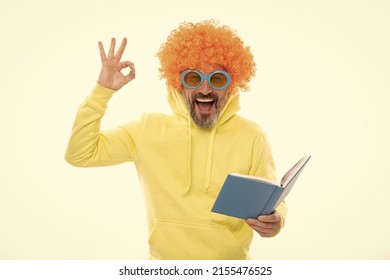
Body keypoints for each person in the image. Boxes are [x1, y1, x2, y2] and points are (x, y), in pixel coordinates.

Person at [65, 20, 287, 260]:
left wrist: (277, 220)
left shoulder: (251, 136)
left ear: (232, 85)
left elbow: (272, 198)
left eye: (217, 79)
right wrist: (102, 91)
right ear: (176, 82)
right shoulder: (146, 129)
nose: (204, 89)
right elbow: (80, 154)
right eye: (193, 78)